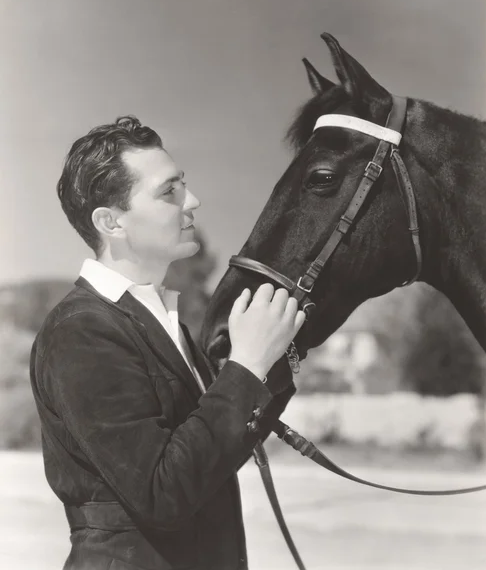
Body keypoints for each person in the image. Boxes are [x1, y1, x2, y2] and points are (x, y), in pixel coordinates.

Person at [30, 115, 305, 570]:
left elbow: (205, 459)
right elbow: (162, 494)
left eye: (184, 186)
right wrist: (247, 366)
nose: (192, 201)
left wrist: (275, 353)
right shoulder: (81, 330)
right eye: (168, 191)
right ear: (111, 222)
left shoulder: (158, 319)